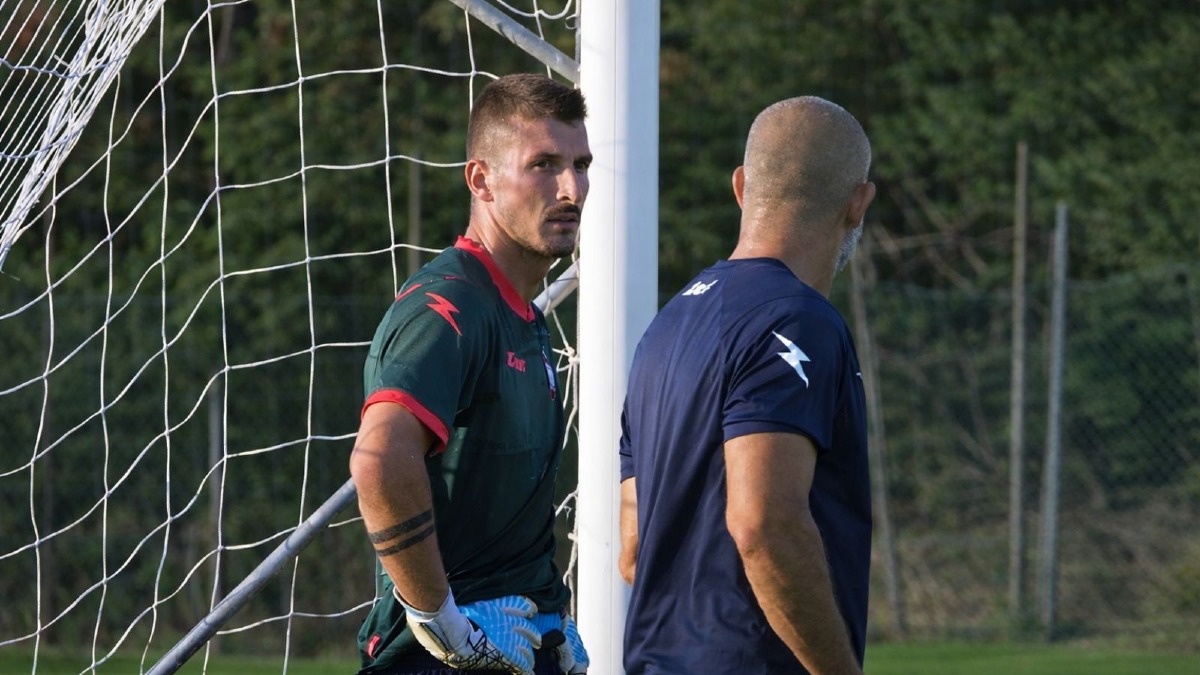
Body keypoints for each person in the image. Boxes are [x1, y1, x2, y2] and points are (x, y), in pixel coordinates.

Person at [618, 96, 877, 675]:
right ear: (858, 203)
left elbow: (633, 548)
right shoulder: (797, 320)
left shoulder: (666, 326)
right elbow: (764, 522)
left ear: (740, 186)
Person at [349, 73, 592, 675]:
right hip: (437, 662)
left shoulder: (522, 315)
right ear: (480, 179)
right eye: (543, 164)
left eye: (581, 164)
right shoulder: (447, 308)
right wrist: (443, 622)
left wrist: (549, 616)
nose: (571, 188)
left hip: (513, 646)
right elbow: (379, 461)